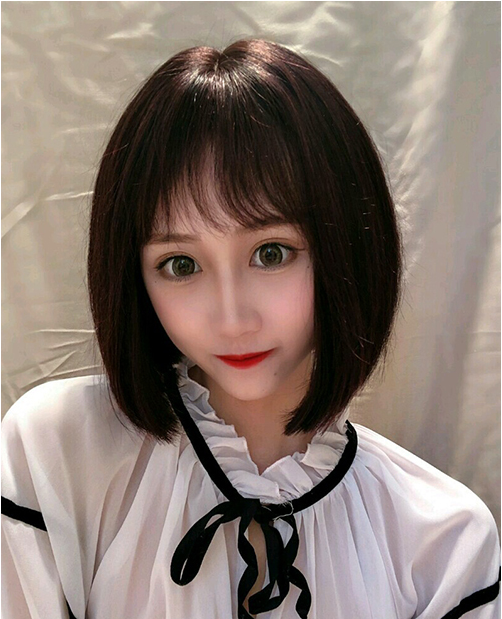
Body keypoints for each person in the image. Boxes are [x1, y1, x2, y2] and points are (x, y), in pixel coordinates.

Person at [2, 38, 500, 619]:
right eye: (181, 265)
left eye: (271, 253)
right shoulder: (54, 456)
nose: (233, 318)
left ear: (348, 246)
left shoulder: (445, 543)